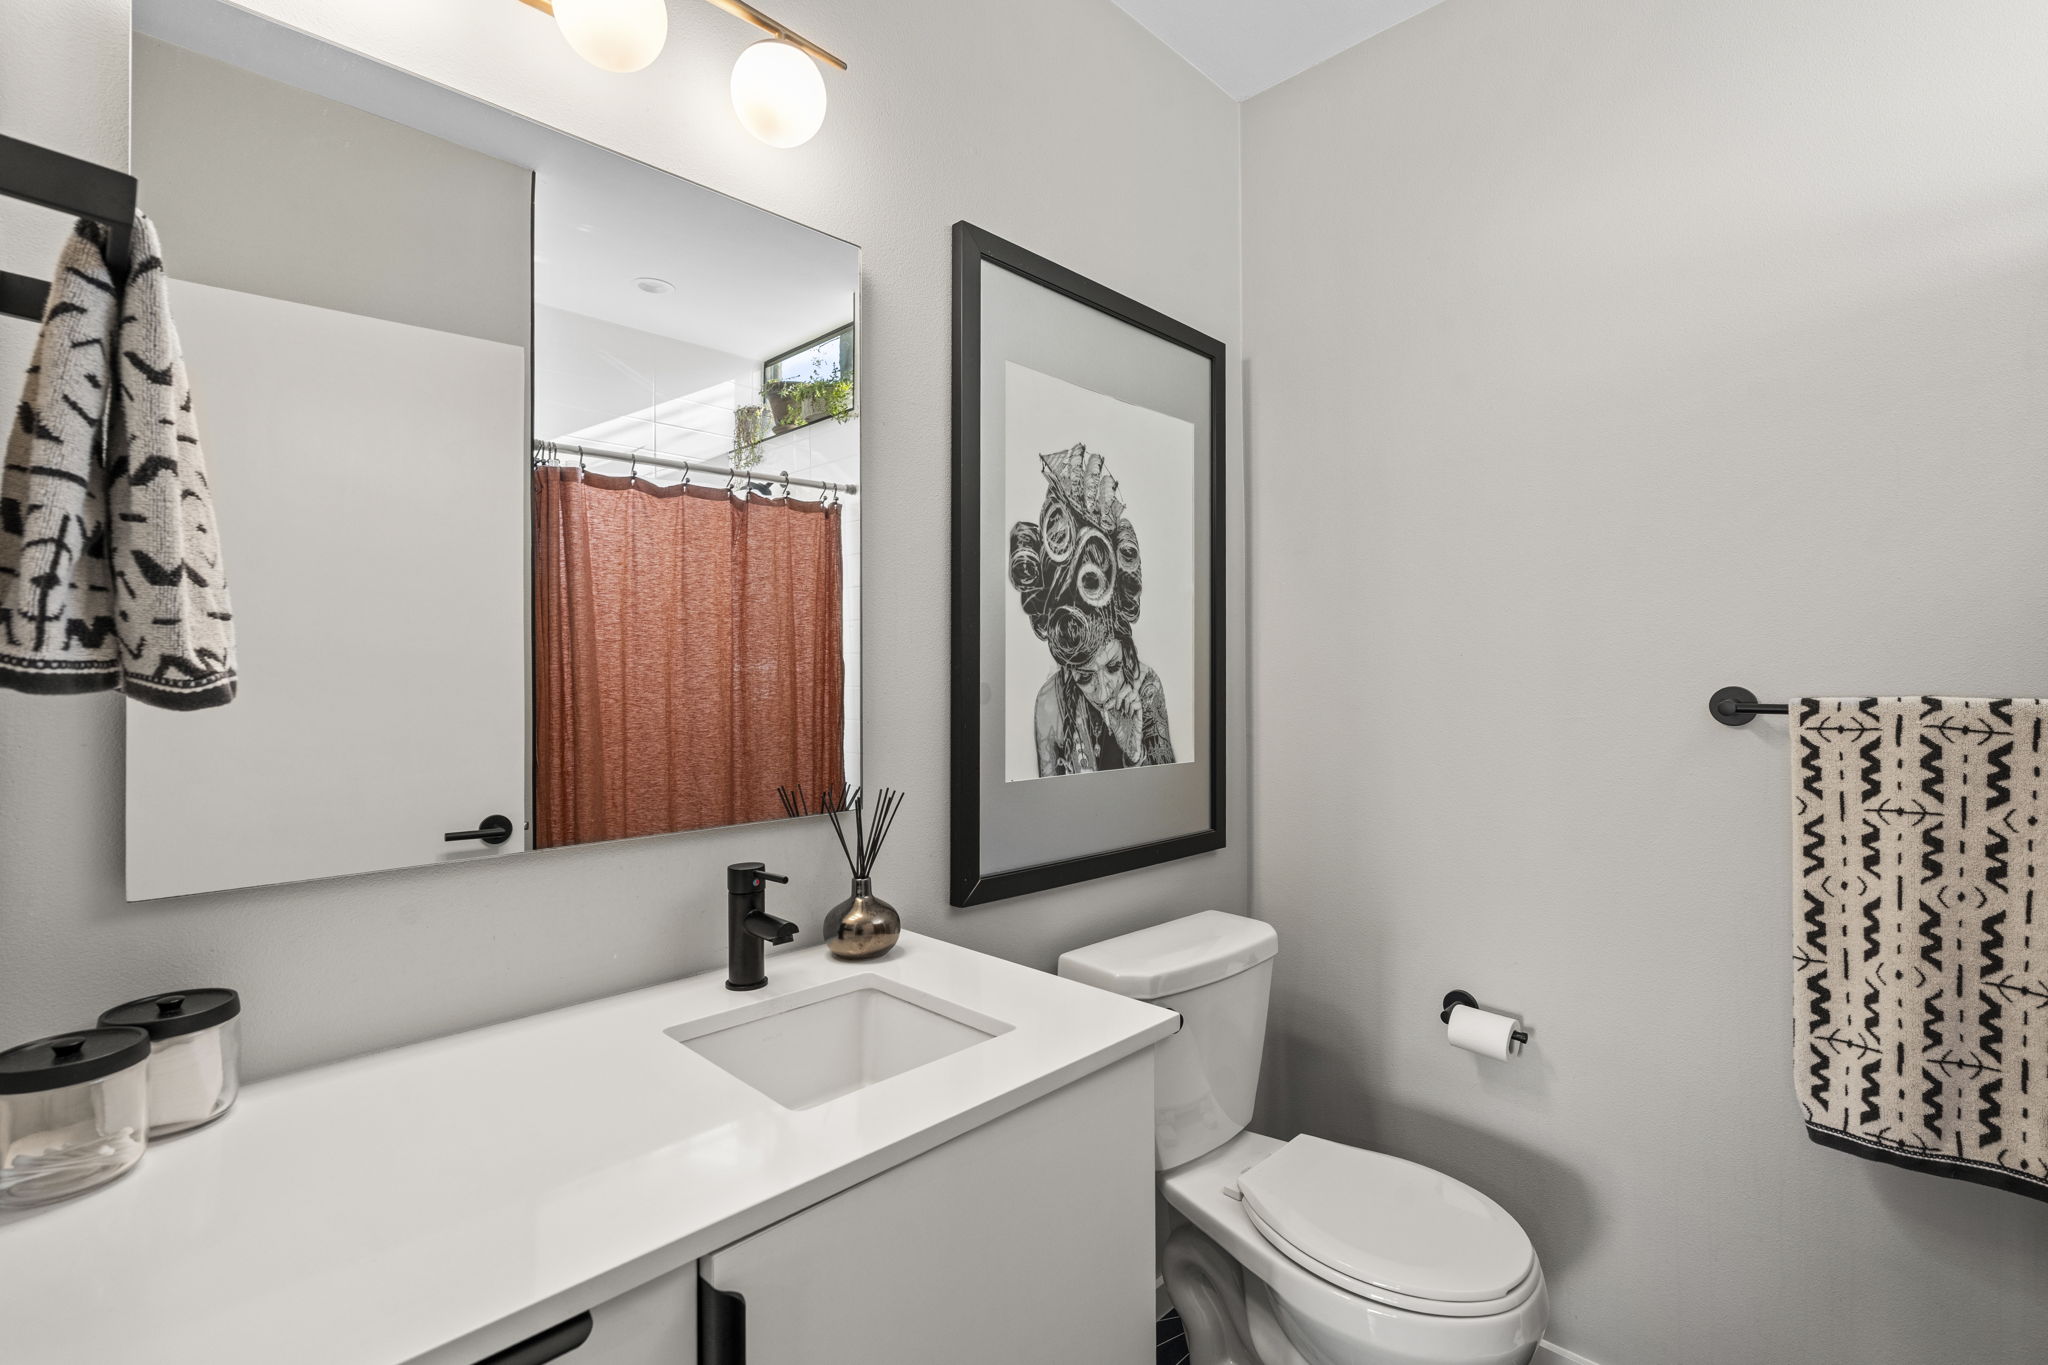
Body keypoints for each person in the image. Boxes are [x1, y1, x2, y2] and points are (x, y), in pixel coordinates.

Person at [1008, 444, 1175, 777]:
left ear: (1126, 649)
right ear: (1069, 670)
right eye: (1085, 676)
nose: (1103, 690)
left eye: (1112, 666)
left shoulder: (1148, 686)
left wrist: (1135, 753)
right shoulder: (1049, 703)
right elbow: (1049, 806)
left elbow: (1170, 801)